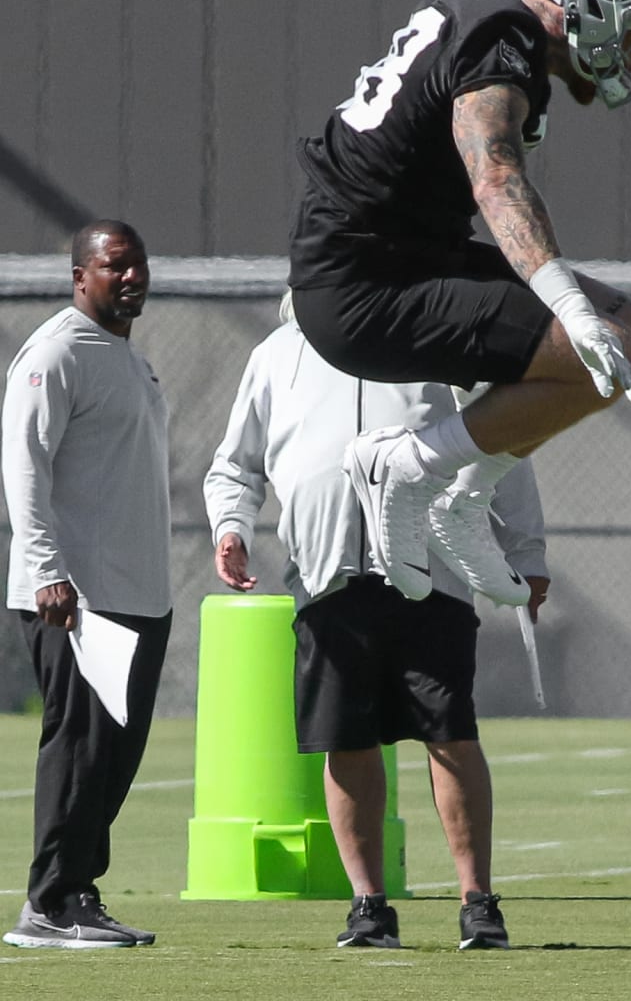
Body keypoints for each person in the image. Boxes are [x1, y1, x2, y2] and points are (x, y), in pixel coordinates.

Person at [286, 0, 631, 603]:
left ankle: (463, 495)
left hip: (397, 256)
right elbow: (496, 175)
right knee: (603, 344)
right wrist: (569, 309)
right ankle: (407, 469)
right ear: (595, 1)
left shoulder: (488, 20)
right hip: (365, 284)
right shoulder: (505, 38)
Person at [203, 294, 549, 951]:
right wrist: (231, 527)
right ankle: (369, 906)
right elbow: (237, 464)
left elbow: (503, 444)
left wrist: (526, 554)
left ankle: (478, 901)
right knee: (348, 740)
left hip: (433, 573)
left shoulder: (438, 348)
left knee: (450, 733)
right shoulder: (279, 354)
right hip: (326, 577)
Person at [2, 221, 170, 950]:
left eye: (137, 265)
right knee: (79, 747)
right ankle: (50, 903)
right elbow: (24, 466)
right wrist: (46, 570)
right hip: (79, 596)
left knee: (113, 754)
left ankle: (79, 892)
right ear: (81, 275)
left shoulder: (124, 358)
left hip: (137, 594)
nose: (131, 277)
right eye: (115, 266)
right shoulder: (57, 351)